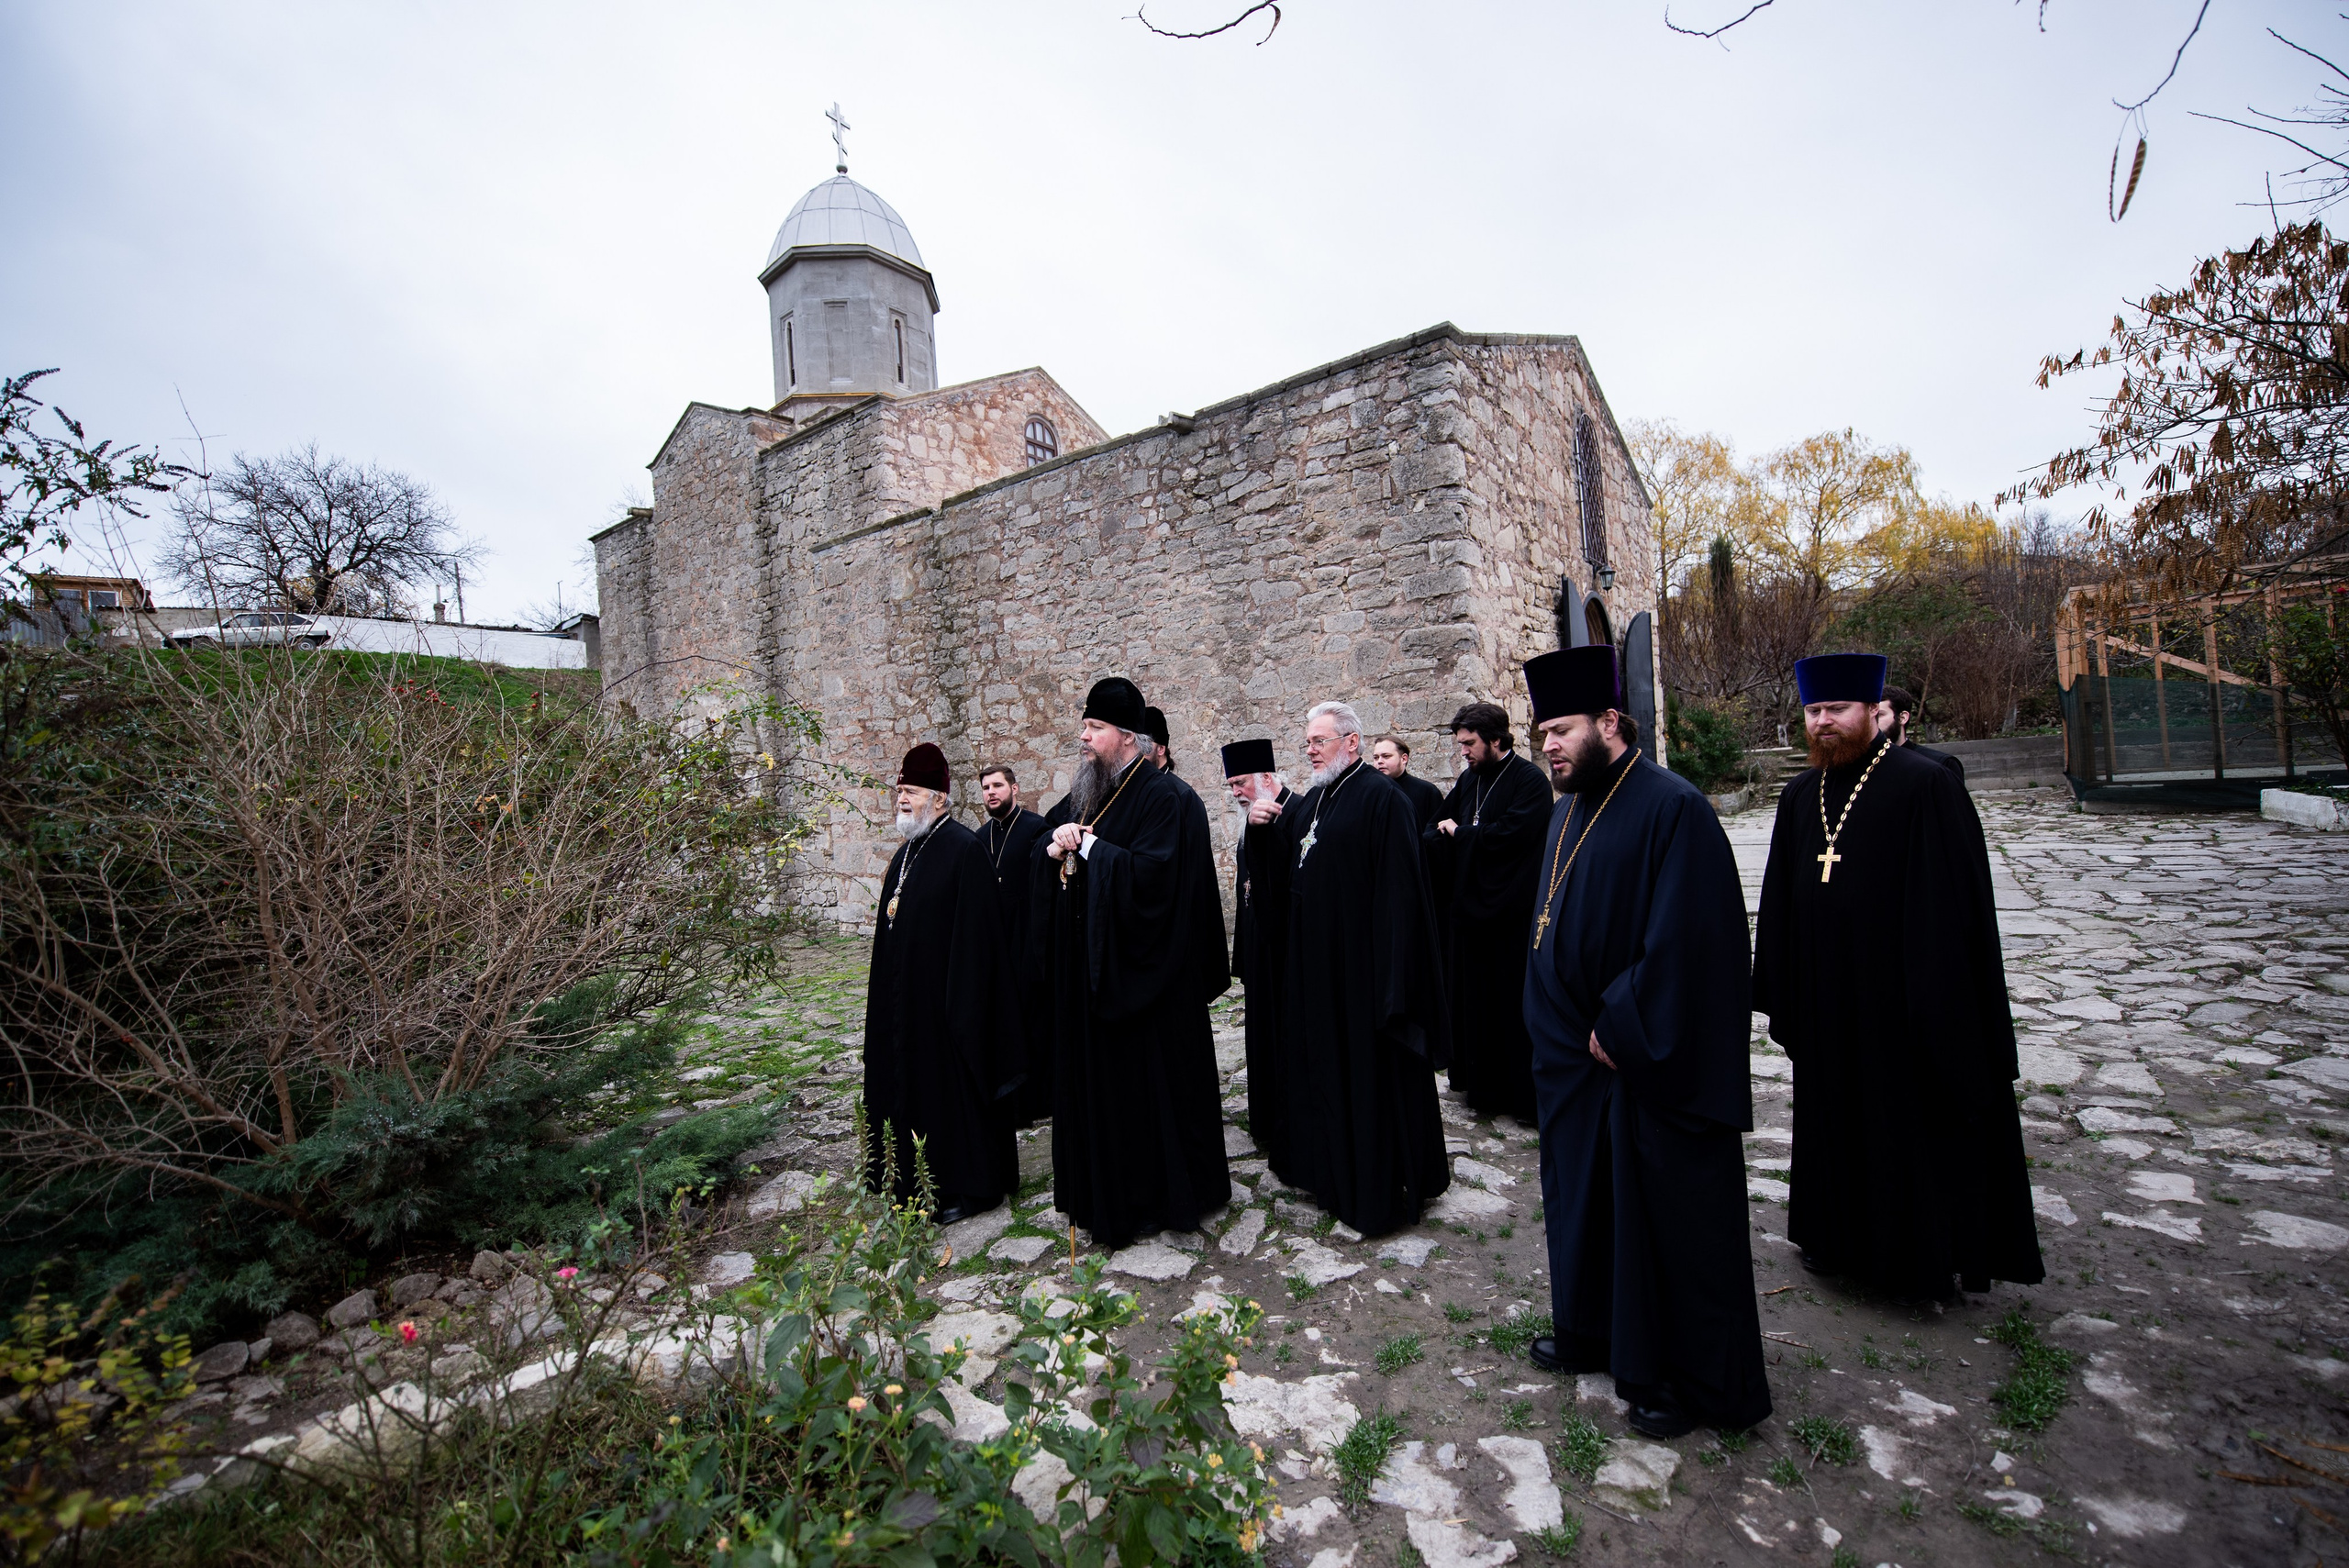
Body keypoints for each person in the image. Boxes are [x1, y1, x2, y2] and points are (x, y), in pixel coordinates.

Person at [1516, 647, 1772, 1440]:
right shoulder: (1565, 808)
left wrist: (1619, 1024)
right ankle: (1592, 1328)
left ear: (1611, 723)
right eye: (1541, 734)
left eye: (1560, 731)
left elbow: (1692, 944)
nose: (1549, 746)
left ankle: (1682, 1378)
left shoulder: (1672, 808)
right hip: (1572, 1062)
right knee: (1584, 1204)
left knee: (1664, 1222)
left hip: (1637, 1062)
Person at [1753, 652, 2043, 1302]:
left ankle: (1911, 1256)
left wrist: (1932, 1003)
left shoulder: (1926, 784)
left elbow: (1953, 908)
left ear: (1872, 712)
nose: (1823, 722)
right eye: (1813, 711)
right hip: (1827, 1000)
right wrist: (1784, 985)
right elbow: (1779, 899)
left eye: (1837, 709)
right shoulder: (1802, 794)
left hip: (1900, 1002)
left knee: (1900, 1130)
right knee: (1830, 1120)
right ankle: (1831, 1238)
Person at [1030, 677, 1232, 1248]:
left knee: (1150, 1098)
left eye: (1093, 729)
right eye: (1085, 727)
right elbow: (1054, 844)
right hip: (1095, 980)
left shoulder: (1163, 797)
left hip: (1147, 984)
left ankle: (1155, 1198)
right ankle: (1104, 1191)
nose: (1084, 737)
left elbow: (1154, 880)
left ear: (1126, 736)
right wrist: (1056, 845)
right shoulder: (1094, 789)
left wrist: (1089, 846)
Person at [1244, 700, 1450, 1234]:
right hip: (1315, 970)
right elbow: (1288, 875)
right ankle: (1324, 1171)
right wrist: (1263, 831)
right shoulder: (1314, 801)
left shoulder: (1384, 801)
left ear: (1351, 742)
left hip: (1362, 974)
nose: (1310, 750)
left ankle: (1374, 1184)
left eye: (1319, 741)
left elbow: (1402, 896)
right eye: (1308, 742)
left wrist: (1392, 982)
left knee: (1366, 1081)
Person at [862, 744, 1022, 1223]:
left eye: (909, 792)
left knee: (950, 1099)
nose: (901, 800)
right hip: (906, 1005)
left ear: (938, 797)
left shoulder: (963, 849)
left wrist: (961, 1010)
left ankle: (963, 1187)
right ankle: (911, 1182)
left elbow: (979, 945)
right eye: (899, 792)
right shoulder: (908, 850)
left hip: (949, 1011)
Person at [1422, 701, 1552, 1124]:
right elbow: (1437, 823)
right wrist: (1444, 836)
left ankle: (1520, 1095)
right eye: (1461, 744)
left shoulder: (1529, 780)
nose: (1464, 751)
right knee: (1474, 1004)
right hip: (1470, 913)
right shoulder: (1470, 779)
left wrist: (1462, 834)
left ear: (1496, 740)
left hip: (1512, 914)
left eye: (1470, 744)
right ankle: (1482, 1088)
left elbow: (1516, 834)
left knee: (1511, 1008)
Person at [1223, 738, 1296, 1175]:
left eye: (1241, 783)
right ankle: (1265, 1121)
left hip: (1286, 951)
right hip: (1259, 951)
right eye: (1231, 786)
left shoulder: (1296, 813)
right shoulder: (1250, 821)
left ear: (1267, 779)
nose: (1236, 793)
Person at [978, 763, 1052, 1126]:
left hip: (1029, 938)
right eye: (986, 788)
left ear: (1014, 789)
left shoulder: (1037, 828)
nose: (991, 793)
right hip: (995, 943)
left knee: (1033, 1020)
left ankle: (1038, 1100)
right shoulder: (979, 838)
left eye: (997, 786)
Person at [1875, 685, 1965, 783]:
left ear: (1902, 718)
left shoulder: (1941, 764)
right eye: (1870, 716)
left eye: (1880, 715)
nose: (1872, 722)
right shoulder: (1863, 765)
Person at [1371, 735, 1444, 829]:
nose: (1380, 761)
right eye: (1376, 758)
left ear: (1404, 759)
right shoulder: (1370, 791)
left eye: (1386, 756)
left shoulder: (1427, 791)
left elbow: (1437, 832)